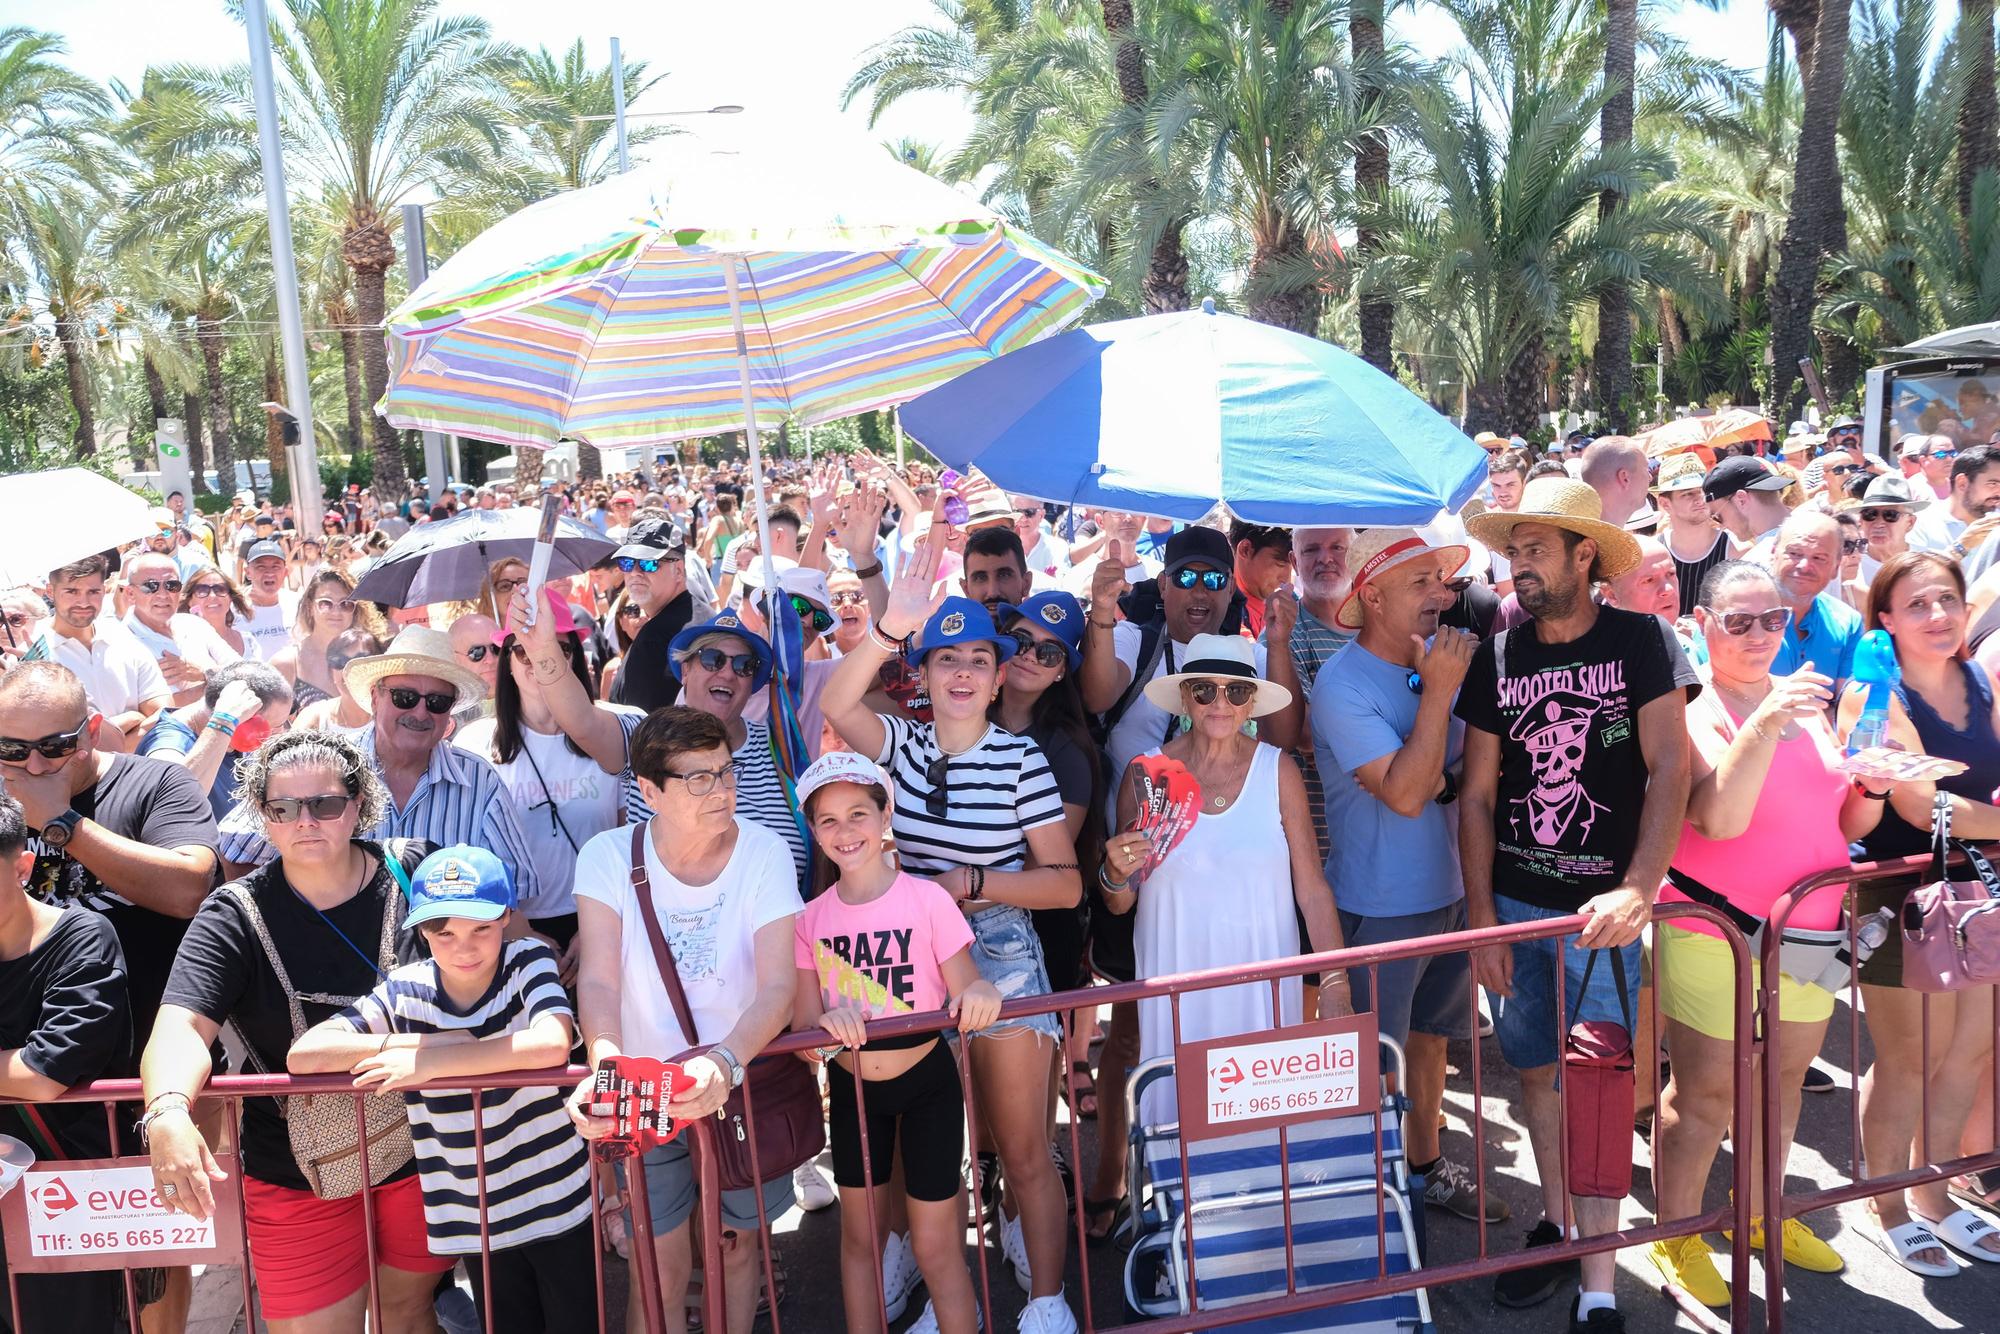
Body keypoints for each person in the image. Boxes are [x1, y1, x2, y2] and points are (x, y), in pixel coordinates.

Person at [1458, 477, 1696, 1332]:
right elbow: (1478, 797)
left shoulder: (1643, 640)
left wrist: (1640, 885)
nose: (1516, 566)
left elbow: (1674, 766)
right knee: (1534, 1076)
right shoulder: (1498, 653)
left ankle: (1599, 1287)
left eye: (1533, 550)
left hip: (1604, 915)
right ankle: (1558, 1226)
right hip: (1517, 909)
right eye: (1511, 551)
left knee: (1596, 1087)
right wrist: (1481, 916)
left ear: (1582, 553)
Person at [821, 567, 1083, 1334]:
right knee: (911, 1143)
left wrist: (971, 881)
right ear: (923, 672)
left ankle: (1046, 1302)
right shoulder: (898, 740)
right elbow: (838, 701)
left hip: (995, 947)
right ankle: (926, 1277)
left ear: (1000, 676)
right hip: (900, 952)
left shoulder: (1022, 761)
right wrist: (890, 626)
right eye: (945, 658)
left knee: (1022, 1145)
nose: (962, 672)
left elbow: (1064, 885)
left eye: (977, 660)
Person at [143, 730, 449, 1333]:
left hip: (423, 1151)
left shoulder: (419, 870)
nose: (305, 821)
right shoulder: (233, 914)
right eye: (283, 809)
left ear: (359, 804)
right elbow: (180, 1026)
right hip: (293, 1169)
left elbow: (501, 950)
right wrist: (169, 1111)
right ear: (263, 815)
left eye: (325, 804)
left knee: (408, 1316)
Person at [1648, 562, 1881, 1306]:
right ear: (1704, 626)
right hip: (1713, 926)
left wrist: (1873, 783)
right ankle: (1676, 1234)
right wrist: (1765, 720)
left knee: (1781, 1085)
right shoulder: (1689, 712)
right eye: (1739, 622)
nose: (1759, 635)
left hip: (1806, 933)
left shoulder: (1811, 707)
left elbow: (1845, 822)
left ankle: (1757, 1213)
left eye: (1772, 619)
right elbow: (1719, 820)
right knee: (1706, 1095)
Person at [288, 845, 593, 1334]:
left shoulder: (527, 959)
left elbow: (551, 1042)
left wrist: (429, 1064)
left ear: (507, 918)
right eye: (442, 932)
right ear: (421, 930)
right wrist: (422, 1044)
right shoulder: (404, 988)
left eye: (481, 929)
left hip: (557, 1201)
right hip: (475, 1216)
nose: (463, 948)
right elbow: (305, 1054)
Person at [568, 707, 803, 1334]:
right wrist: (607, 1063)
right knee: (657, 1271)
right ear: (649, 791)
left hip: (741, 1079)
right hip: (642, 1085)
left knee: (735, 1253)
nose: (720, 790)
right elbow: (597, 978)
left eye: (724, 772)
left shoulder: (765, 850)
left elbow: (780, 986)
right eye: (697, 779)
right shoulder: (606, 855)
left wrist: (725, 1062)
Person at [1312, 529, 1506, 1224]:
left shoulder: (1432, 661)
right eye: (1423, 582)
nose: (1443, 595)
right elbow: (1403, 793)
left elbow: (1457, 777)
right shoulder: (1342, 683)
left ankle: (1422, 1170)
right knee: (1373, 1064)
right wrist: (1441, 694)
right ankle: (1370, 1203)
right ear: (1373, 594)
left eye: (1443, 581)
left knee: (1430, 1047)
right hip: (1381, 907)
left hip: (1450, 892)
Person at [1099, 630, 1347, 1126]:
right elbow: (1121, 902)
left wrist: (1336, 982)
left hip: (1262, 985)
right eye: (1205, 689)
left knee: (1267, 1138)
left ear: (1251, 702)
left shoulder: (1280, 772)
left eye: (1235, 691)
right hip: (1176, 988)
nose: (1220, 702)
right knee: (1179, 1135)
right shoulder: (1147, 775)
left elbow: (1312, 887)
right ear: (1186, 696)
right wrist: (1111, 874)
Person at [791, 753, 1001, 1334]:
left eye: (858, 813)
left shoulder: (927, 899)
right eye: (827, 820)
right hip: (854, 1092)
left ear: (886, 816)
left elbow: (970, 984)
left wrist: (982, 995)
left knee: (936, 1247)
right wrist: (825, 1025)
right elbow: (805, 1036)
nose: (845, 831)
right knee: (862, 1243)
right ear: (813, 830)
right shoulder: (808, 921)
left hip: (929, 1082)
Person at [1838, 552, 2000, 1275]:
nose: (1938, 615)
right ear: (1886, 620)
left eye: (1948, 600)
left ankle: (1934, 1193)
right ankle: (1887, 1204)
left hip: (1981, 889)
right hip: (1901, 895)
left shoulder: (1983, 679)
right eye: (1917, 604)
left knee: (1968, 1049)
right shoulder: (1874, 692)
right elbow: (1913, 802)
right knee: (1910, 1061)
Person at [215, 627, 539, 906]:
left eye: (437, 702)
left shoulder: (479, 780)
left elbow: (516, 884)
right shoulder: (323, 765)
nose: (421, 713)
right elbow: (235, 847)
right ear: (375, 697)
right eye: (404, 697)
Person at [0, 791, 133, 1329]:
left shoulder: (82, 938)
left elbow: (42, 1074)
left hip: (61, 1207)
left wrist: (28, 1073)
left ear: (23, 866)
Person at [466, 587, 646, 964]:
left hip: (607, 916)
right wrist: (519, 931)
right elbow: (471, 853)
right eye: (521, 649)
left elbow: (630, 839)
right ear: (508, 662)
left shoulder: (614, 729)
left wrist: (599, 924)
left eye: (556, 647)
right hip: (507, 927)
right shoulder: (475, 744)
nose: (535, 657)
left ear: (573, 658)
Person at [1082, 525, 1303, 827]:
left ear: (1229, 589)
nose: (1200, 591)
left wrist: (1278, 643)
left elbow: (1284, 739)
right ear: (1163, 586)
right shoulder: (1134, 641)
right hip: (1133, 851)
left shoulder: (1246, 659)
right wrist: (1103, 609)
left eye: (1213, 579)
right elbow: (1097, 697)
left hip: (1218, 848)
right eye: (1185, 577)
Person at [623, 611, 811, 888]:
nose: (727, 673)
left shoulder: (782, 747)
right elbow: (580, 722)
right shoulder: (644, 740)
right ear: (685, 670)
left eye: (744, 665)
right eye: (712, 659)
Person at [140, 662, 295, 816]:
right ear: (243, 716)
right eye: (275, 726)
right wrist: (224, 722)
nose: (278, 734)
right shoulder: (169, 741)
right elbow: (171, 801)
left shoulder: (232, 740)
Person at [43, 556, 172, 740]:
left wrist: (104, 740)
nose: (83, 602)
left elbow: (165, 716)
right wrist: (131, 719)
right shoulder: (35, 654)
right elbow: (59, 742)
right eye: (71, 591)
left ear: (104, 591)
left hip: (142, 766)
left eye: (93, 591)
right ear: (50, 591)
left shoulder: (123, 637)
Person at [121, 551, 242, 706]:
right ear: (130, 593)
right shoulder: (122, 644)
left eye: (172, 586)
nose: (163, 594)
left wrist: (204, 673)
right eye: (151, 586)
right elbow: (159, 711)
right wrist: (222, 684)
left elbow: (247, 671)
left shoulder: (194, 624)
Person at [1766, 510, 1863, 690]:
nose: (1804, 566)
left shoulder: (1848, 622)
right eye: (1795, 553)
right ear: (1773, 553)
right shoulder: (1740, 617)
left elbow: (1846, 702)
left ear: (1836, 567)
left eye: (1819, 558)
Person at [276, 571, 382, 717]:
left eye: (346, 604)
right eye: (325, 603)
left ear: (355, 609)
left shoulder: (372, 656)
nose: (336, 611)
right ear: (309, 607)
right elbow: (271, 726)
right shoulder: (286, 663)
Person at [1656, 454, 1727, 617]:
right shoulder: (1654, 552)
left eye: (1702, 491)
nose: (1700, 499)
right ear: (1665, 503)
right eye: (1687, 493)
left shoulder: (1735, 549)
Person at [1910, 443, 2000, 555]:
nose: (1998, 492)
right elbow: (1915, 572)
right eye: (1993, 484)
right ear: (1962, 483)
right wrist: (1961, 547)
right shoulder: (1920, 524)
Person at [293, 629, 383, 738]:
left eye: (360, 660)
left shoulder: (393, 716)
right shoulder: (315, 718)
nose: (348, 669)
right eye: (340, 661)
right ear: (331, 671)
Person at [1845, 472, 1929, 585]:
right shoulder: (1848, 564)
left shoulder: (1927, 563)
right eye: (1870, 514)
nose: (1879, 523)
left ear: (1910, 522)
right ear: (1860, 521)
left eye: (1890, 515)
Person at [1703, 456, 1793, 562]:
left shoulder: (1757, 564)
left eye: (1718, 517)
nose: (1722, 527)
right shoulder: (1813, 528)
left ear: (1741, 500)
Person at [178, 570, 265, 665]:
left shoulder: (248, 642)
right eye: (202, 590)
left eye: (220, 589)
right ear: (190, 601)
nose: (212, 596)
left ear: (230, 598)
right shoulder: (181, 645)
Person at [1227, 522, 1294, 637]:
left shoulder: (1283, 608)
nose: (1286, 579)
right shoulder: (1226, 612)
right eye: (1280, 564)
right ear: (1246, 550)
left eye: (1292, 565)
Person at [238, 539, 301, 661]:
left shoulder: (298, 604)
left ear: (286, 572)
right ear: (248, 572)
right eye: (261, 567)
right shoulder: (232, 609)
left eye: (276, 566)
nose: (269, 573)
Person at [1579, 436, 1652, 527]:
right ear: (1625, 478)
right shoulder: (1589, 539)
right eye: (1646, 469)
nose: (1650, 477)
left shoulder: (1576, 535)